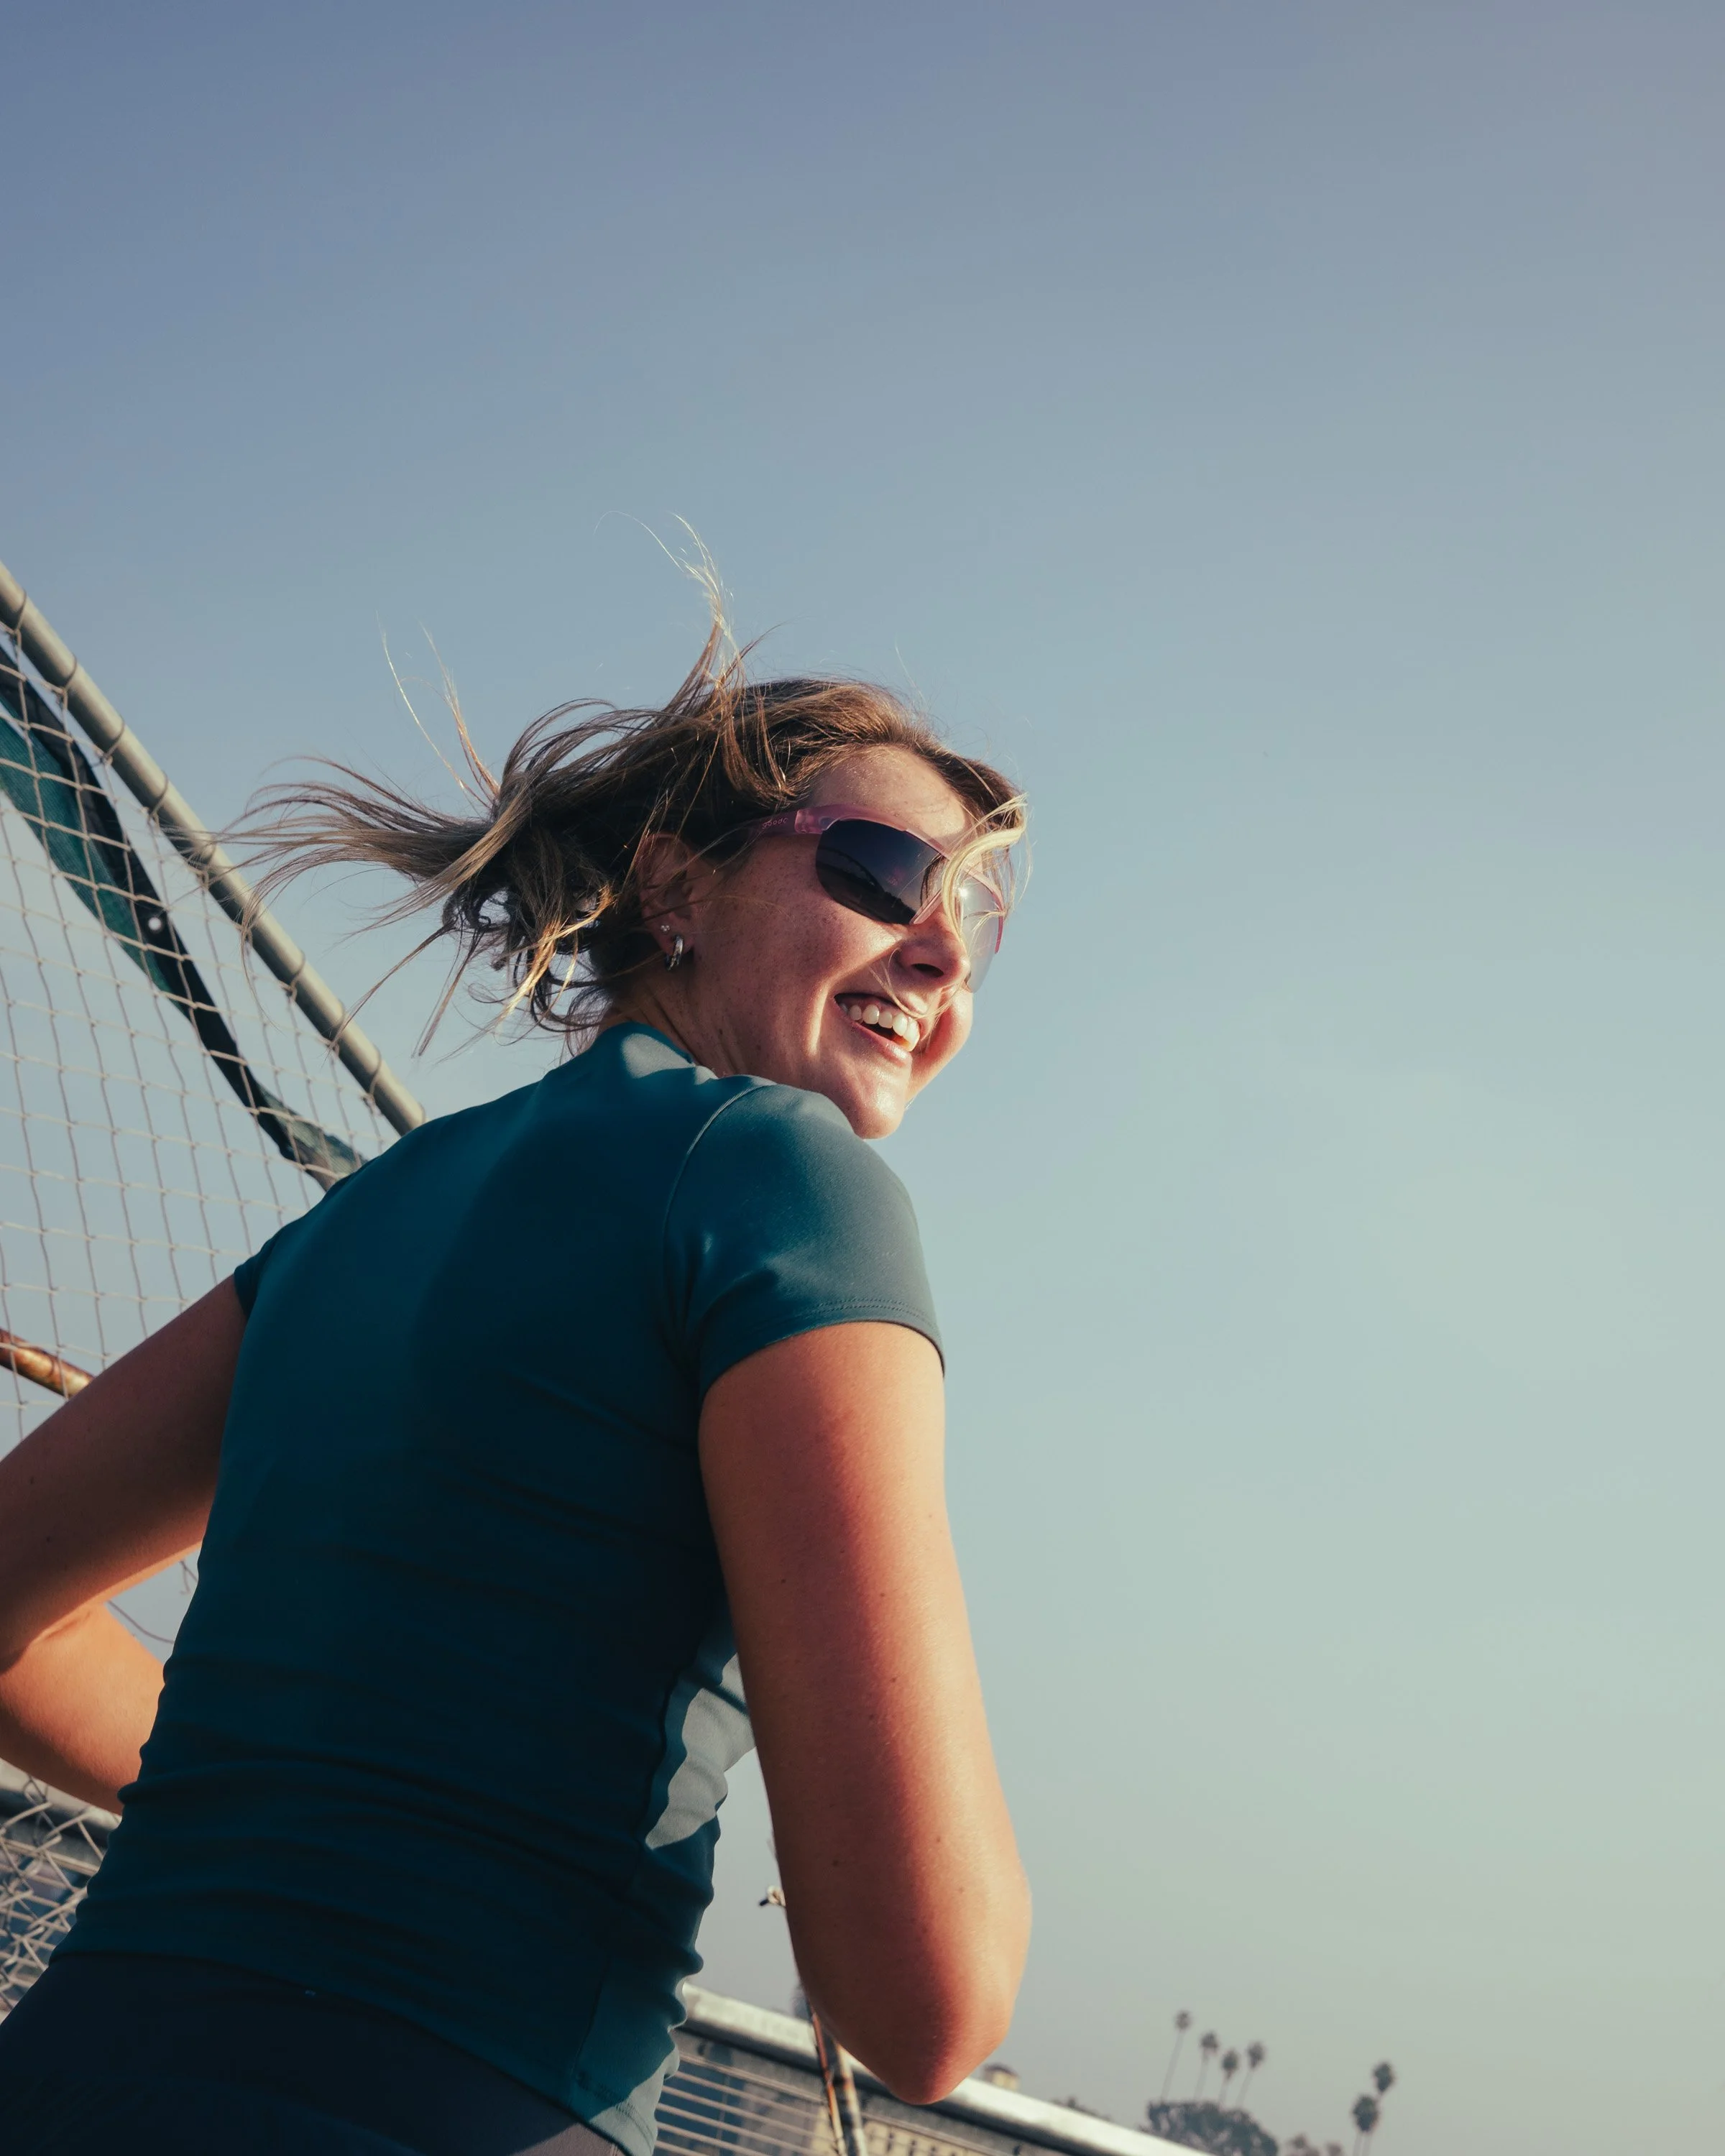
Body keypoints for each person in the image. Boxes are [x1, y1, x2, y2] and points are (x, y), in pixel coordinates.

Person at [0, 627, 1031, 2155]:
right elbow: (927, 1999)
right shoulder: (783, 1179)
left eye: (976, 922)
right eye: (884, 873)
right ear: (676, 886)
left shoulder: (370, 1209)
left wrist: (287, 1818)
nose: (942, 946)